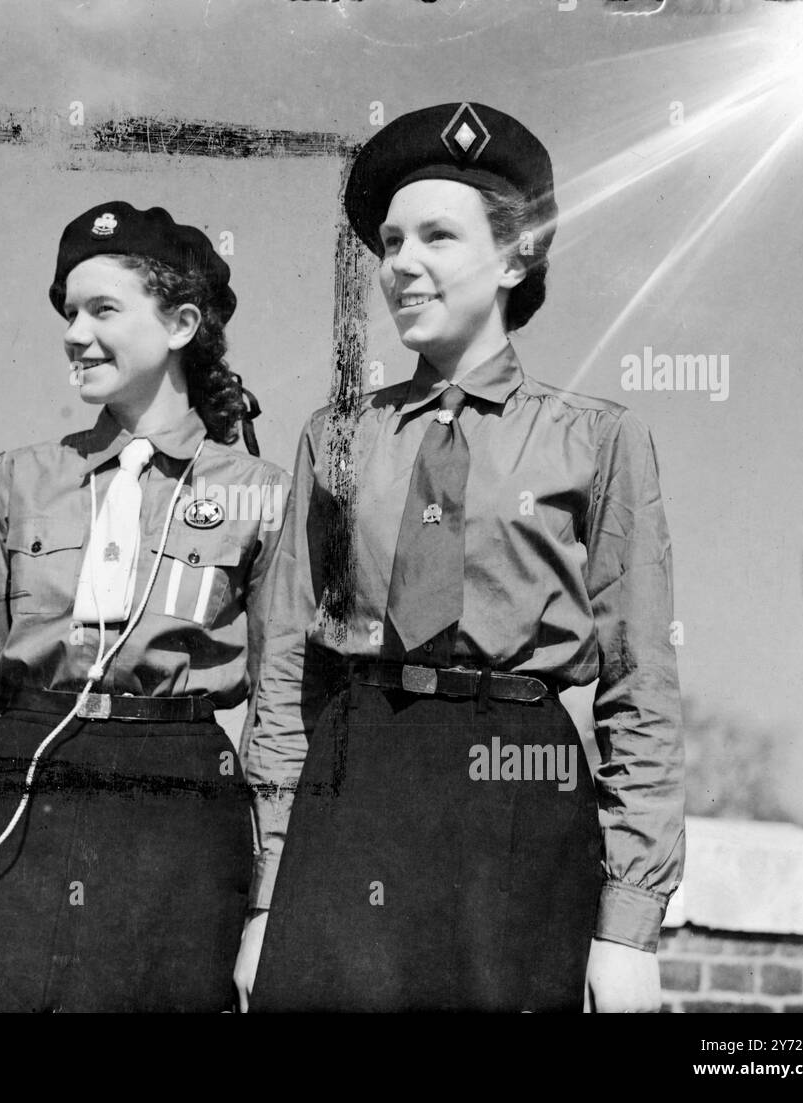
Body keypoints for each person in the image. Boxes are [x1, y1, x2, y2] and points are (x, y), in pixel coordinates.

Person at [235, 102, 685, 1013]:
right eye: (392, 241)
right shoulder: (336, 438)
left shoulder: (596, 440)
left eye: (438, 235)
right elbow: (287, 672)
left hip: (522, 794)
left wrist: (628, 923)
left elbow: (642, 687)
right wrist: (270, 891)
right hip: (353, 793)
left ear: (518, 255)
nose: (402, 262)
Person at [0, 201, 290, 1012]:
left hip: (174, 811)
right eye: (69, 312)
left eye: (103, 309)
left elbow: (282, 717)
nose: (75, 333)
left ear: (181, 323)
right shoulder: (21, 479)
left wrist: (268, 906)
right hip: (16, 797)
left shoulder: (258, 494)